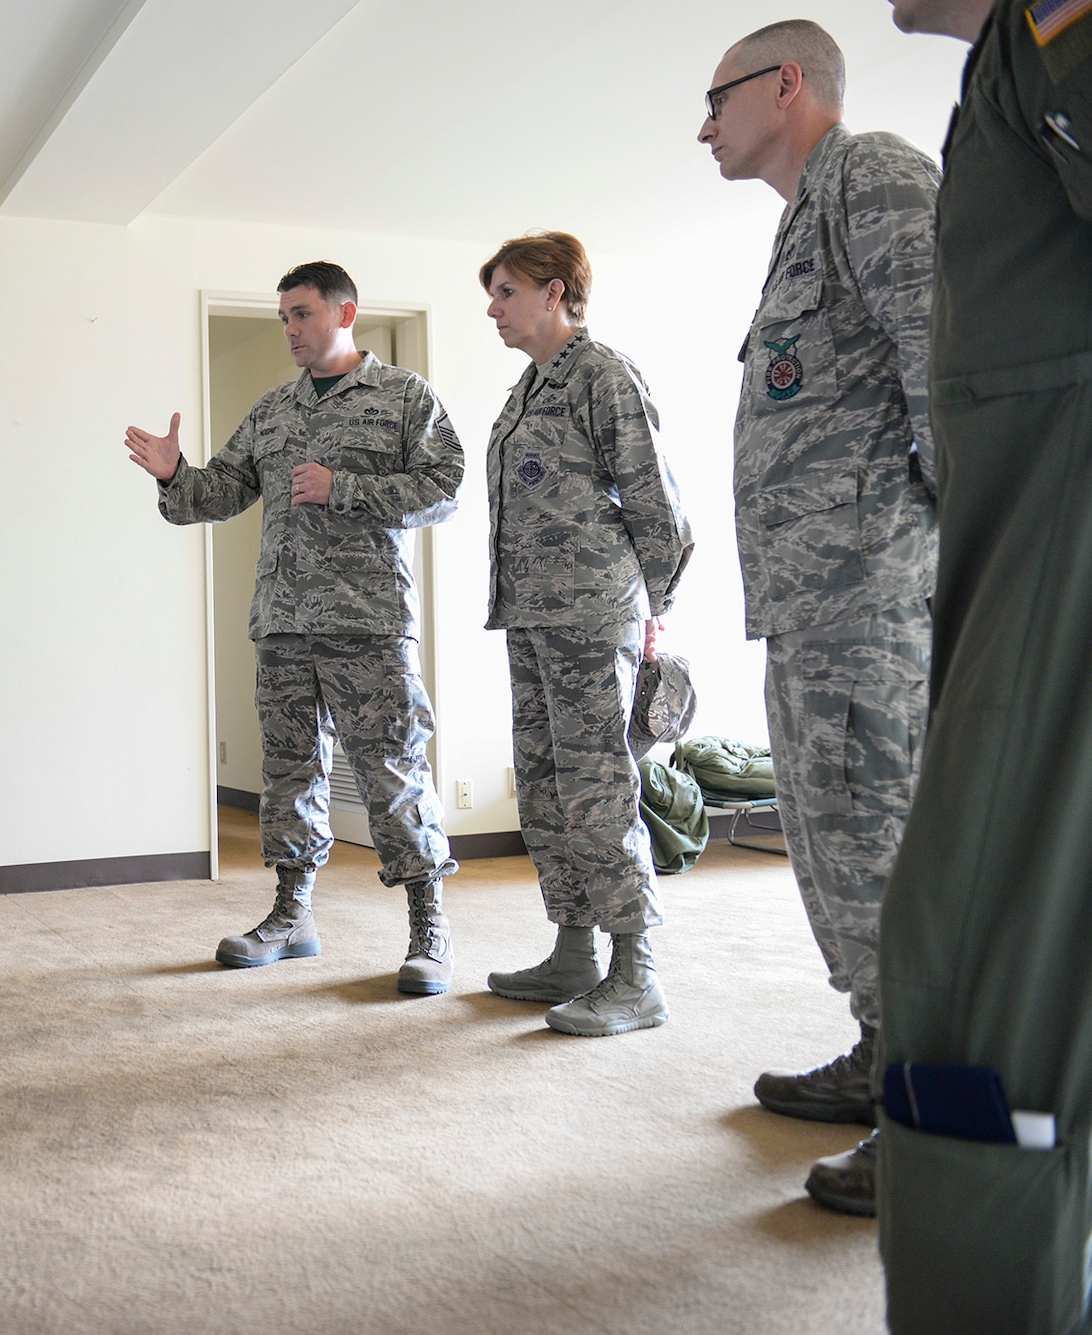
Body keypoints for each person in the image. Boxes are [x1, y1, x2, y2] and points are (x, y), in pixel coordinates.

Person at [696, 18, 940, 1216]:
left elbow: (943, 373)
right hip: (812, 606)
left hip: (871, 603)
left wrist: (955, 578)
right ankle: (876, 1052)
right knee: (836, 852)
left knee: (888, 862)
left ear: (784, 84)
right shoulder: (806, 215)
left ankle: (931, 1121)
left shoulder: (879, 177)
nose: (703, 126)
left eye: (716, 99)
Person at [877, 0, 1092, 1326]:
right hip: (1023, 512)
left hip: (1061, 521)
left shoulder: (1047, 24)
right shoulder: (1012, 54)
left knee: (969, 962)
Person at [123, 262, 464, 993]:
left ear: (346, 314)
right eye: (283, 317)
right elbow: (216, 493)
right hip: (282, 625)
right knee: (289, 775)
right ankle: (291, 915)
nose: (291, 330)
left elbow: (444, 488)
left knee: (392, 773)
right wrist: (173, 471)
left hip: (368, 624)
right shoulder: (274, 410)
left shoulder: (405, 398)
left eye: (302, 314)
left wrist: (347, 488)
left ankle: (429, 927)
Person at [475, 233, 695, 1037]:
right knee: (544, 785)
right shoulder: (527, 390)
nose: (493, 308)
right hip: (532, 615)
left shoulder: (603, 376)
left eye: (505, 291)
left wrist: (652, 608)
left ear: (556, 290)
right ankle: (574, 949)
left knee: (599, 786)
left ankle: (637, 972)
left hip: (592, 612)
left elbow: (655, 502)